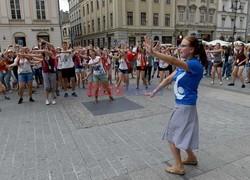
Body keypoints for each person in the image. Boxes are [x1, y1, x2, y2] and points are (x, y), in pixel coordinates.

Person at [144, 35, 208, 175]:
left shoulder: (194, 65)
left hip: (184, 106)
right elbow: (169, 78)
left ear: (191, 49)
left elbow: (172, 60)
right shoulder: (185, 63)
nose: (180, 48)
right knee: (182, 133)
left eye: (183, 45)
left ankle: (179, 166)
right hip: (185, 106)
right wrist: (155, 91)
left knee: (172, 136)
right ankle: (191, 158)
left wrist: (154, 53)